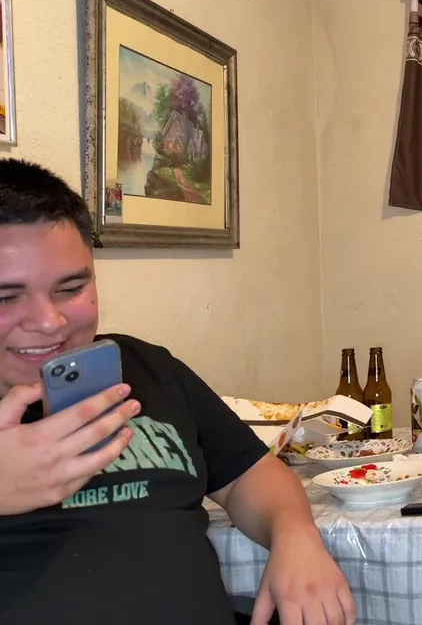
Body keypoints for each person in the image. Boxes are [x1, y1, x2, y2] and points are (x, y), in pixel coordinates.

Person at [0, 159, 354, 625]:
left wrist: (295, 534)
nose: (50, 322)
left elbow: (249, 475)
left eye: (71, 287)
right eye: (5, 297)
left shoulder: (147, 366)